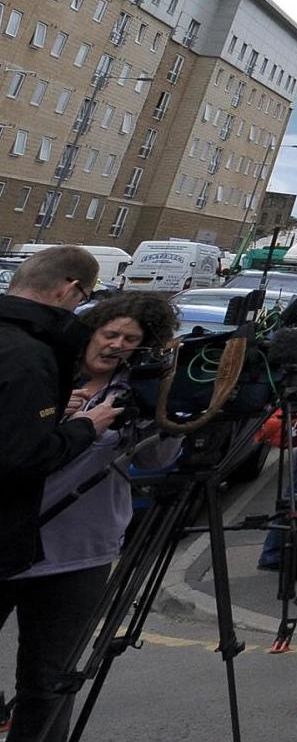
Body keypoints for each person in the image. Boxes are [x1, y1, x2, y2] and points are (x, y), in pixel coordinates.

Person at [0, 294, 179, 741]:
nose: (117, 345)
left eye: (131, 340)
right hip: (8, 541)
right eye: (110, 334)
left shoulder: (134, 392)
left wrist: (165, 404)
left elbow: (159, 458)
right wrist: (62, 419)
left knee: (49, 682)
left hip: (79, 556)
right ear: (90, 333)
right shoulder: (45, 373)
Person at [0, 248, 121, 581]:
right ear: (69, 289)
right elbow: (22, 456)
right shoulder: (31, 355)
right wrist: (84, 426)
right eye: (84, 297)